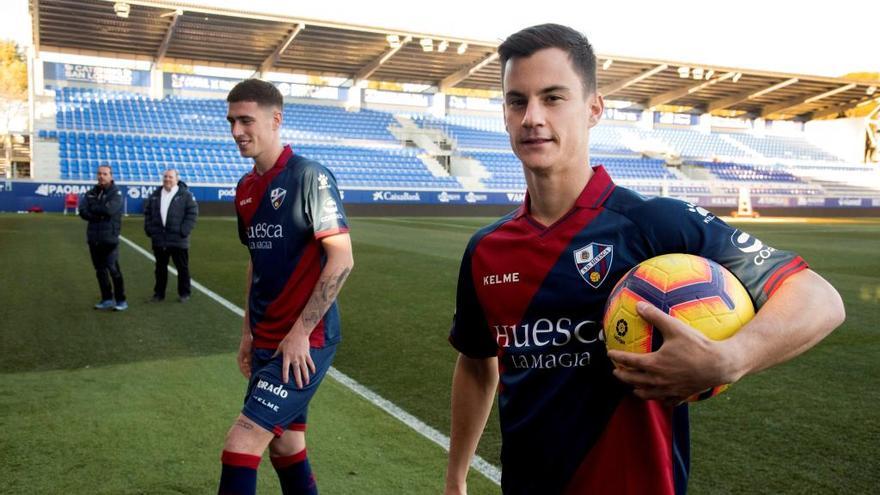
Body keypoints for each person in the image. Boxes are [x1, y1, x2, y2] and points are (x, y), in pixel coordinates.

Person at [444, 24, 845, 495]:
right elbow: (476, 363)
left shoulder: (658, 223)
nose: (532, 116)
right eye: (517, 101)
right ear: (505, 115)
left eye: (553, 98)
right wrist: (456, 478)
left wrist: (731, 357)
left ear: (593, 109)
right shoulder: (487, 250)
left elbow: (819, 297)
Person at [217, 79, 354, 495]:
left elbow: (342, 258)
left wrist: (298, 333)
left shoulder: (309, 176)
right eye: (231, 121)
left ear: (275, 119)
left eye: (246, 120)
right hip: (266, 339)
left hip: (303, 341)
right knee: (287, 444)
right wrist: (247, 332)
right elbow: (254, 265)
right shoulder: (245, 189)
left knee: (241, 444)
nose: (237, 130)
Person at [143, 168, 198, 302]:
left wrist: (183, 231)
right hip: (160, 239)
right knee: (160, 268)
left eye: (170, 177)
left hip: (178, 239)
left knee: (182, 268)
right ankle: (159, 294)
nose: (167, 179)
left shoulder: (185, 195)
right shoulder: (155, 195)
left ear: (176, 179)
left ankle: (184, 293)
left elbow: (192, 213)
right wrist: (150, 230)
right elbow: (148, 213)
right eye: (165, 177)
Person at [78, 164, 127, 311]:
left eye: (105, 174)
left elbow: (109, 210)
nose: (101, 176)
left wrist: (95, 210)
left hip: (109, 238)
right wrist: (99, 212)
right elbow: (82, 211)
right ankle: (106, 299)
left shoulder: (116, 193)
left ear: (111, 176)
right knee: (100, 270)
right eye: (99, 173)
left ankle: (121, 300)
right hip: (94, 237)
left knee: (113, 269)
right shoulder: (91, 192)